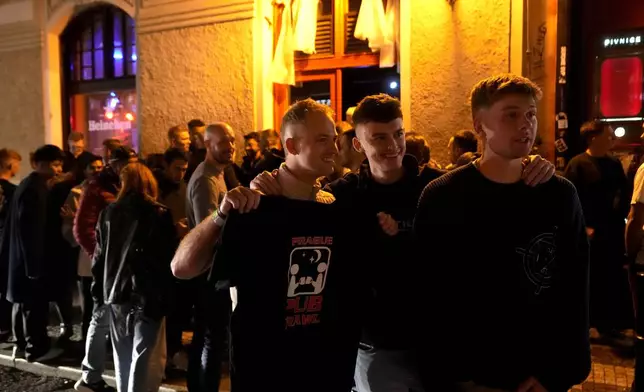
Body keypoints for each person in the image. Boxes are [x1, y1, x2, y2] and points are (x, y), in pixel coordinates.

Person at [251, 93, 555, 392]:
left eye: (398, 134)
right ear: (358, 144)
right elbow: (303, 203)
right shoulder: (342, 195)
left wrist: (529, 163)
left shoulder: (438, 188)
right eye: (379, 138)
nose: (393, 145)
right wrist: (267, 185)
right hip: (377, 346)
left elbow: (490, 183)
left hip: (442, 346)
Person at [172, 99, 385, 392]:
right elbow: (181, 268)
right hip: (266, 376)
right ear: (292, 145)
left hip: (328, 375)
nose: (334, 150)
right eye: (323, 140)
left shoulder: (338, 210)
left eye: (335, 140)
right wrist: (220, 215)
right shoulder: (254, 209)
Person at [414, 74, 591, 391]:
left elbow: (574, 288)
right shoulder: (443, 197)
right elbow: (430, 296)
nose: (526, 125)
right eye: (511, 114)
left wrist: (556, 373)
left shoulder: (559, 195)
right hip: (466, 376)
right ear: (480, 125)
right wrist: (455, 377)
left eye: (531, 114)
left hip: (541, 374)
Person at [92, 163, 177, 392]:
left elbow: (99, 258)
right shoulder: (158, 213)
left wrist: (98, 292)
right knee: (147, 355)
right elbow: (166, 258)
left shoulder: (108, 213)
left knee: (123, 355)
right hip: (148, 293)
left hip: (117, 292)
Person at [73, 146, 136, 392]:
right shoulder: (97, 189)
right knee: (101, 318)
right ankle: (90, 376)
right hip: (108, 266)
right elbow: (82, 229)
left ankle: (92, 376)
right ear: (114, 164)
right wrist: (100, 257)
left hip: (122, 265)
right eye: (126, 163)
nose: (131, 168)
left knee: (106, 319)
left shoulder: (122, 186)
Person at [565, 120, 632, 342]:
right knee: (590, 278)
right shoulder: (578, 164)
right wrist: (583, 226)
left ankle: (608, 323)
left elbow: (624, 194)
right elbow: (570, 199)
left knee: (610, 276)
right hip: (589, 233)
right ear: (594, 138)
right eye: (607, 135)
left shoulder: (613, 164)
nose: (611, 139)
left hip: (611, 231)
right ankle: (588, 323)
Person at [184, 122, 237, 392]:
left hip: (212, 270)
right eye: (223, 142)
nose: (231, 146)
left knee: (210, 336)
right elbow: (207, 228)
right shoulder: (206, 178)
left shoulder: (218, 174)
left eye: (232, 140)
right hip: (208, 272)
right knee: (210, 338)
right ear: (207, 144)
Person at [5, 145, 65, 362]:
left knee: (25, 306)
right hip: (30, 262)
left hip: (23, 261)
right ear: (40, 164)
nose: (58, 169)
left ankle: (23, 345)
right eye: (55, 164)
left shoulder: (28, 184)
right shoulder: (35, 189)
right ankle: (36, 349)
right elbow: (31, 230)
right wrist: (34, 266)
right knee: (34, 307)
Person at [61, 154, 104, 339]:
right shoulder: (77, 193)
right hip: (85, 253)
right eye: (92, 167)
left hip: (104, 251)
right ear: (84, 170)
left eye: (99, 167)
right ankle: (87, 340)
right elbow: (69, 227)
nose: (96, 170)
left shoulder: (107, 190)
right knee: (89, 301)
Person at [0, 148, 21, 342]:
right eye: (17, 164)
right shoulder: (13, 192)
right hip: (4, 245)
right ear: (9, 165)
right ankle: (4, 327)